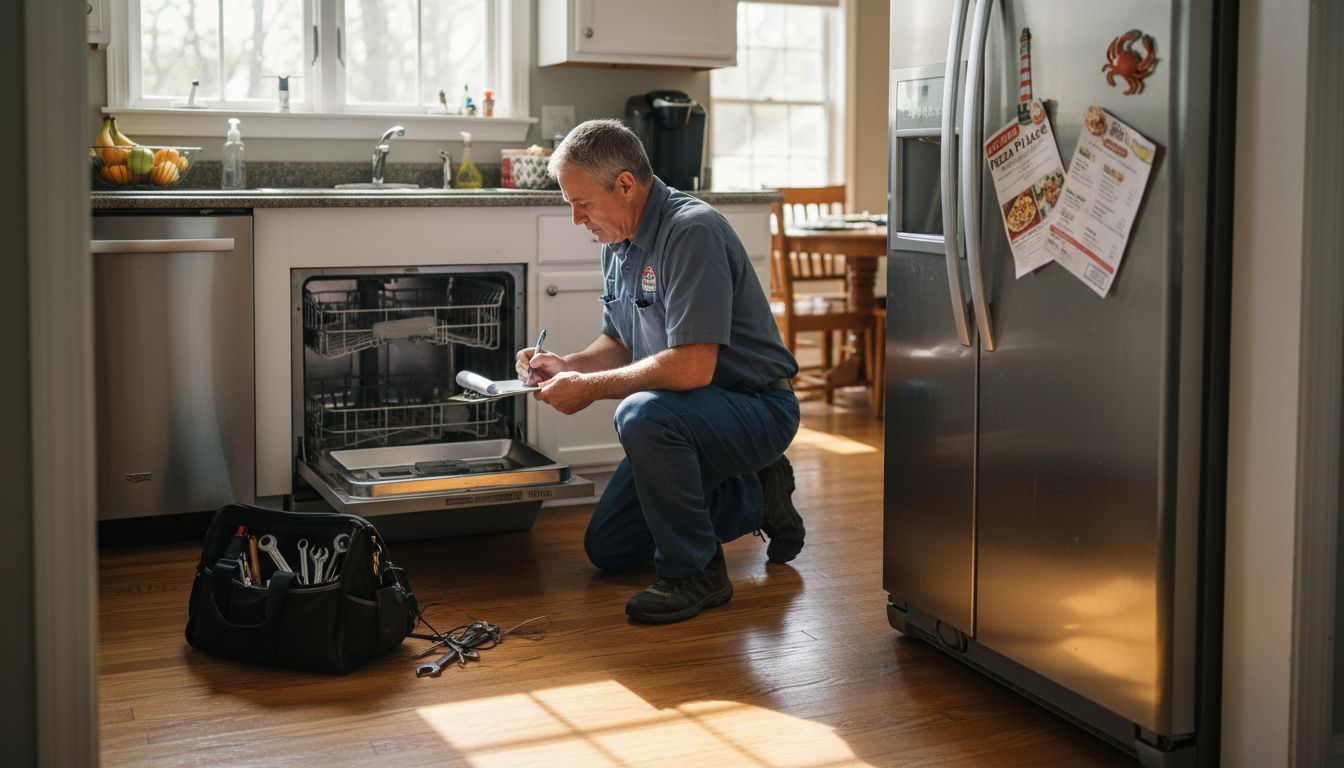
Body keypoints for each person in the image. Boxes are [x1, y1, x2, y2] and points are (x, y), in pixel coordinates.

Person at [515, 119, 805, 625]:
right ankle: (758, 495)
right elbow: (619, 343)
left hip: (756, 407)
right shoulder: (617, 241)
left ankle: (696, 573)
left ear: (625, 184)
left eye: (581, 203)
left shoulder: (692, 232)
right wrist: (567, 366)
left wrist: (589, 390)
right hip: (689, 415)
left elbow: (692, 367)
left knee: (642, 415)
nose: (576, 218)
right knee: (610, 546)